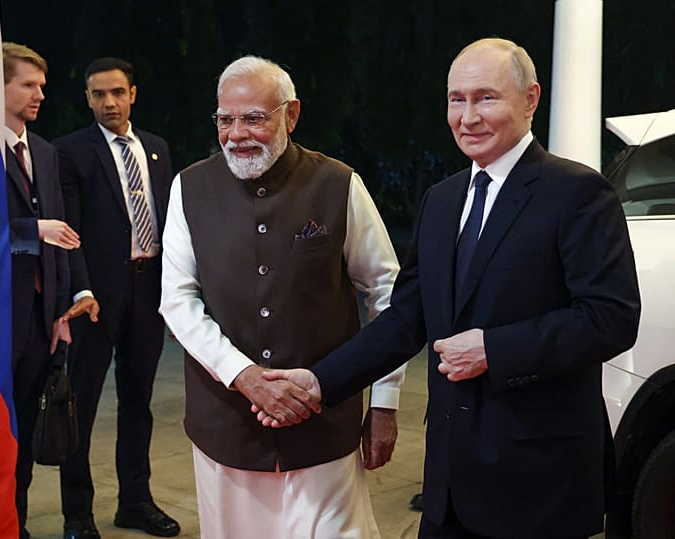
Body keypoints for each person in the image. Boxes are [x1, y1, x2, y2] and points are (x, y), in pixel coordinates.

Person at [259, 38, 642, 539]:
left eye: (486, 97)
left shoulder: (578, 193)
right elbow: (405, 316)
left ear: (530, 99)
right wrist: (320, 382)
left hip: (538, 480)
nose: (468, 116)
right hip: (448, 479)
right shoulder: (442, 200)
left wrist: (492, 349)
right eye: (456, 99)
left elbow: (610, 319)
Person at [159, 55, 406, 539]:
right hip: (226, 427)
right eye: (225, 120)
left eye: (254, 118)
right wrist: (245, 376)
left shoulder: (338, 183)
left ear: (291, 115)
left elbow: (387, 291)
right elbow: (178, 301)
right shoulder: (188, 187)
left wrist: (384, 401)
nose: (236, 134)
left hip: (324, 424)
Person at [53, 58, 178, 538]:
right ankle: (77, 515)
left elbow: (168, 222)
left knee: (138, 401)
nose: (109, 102)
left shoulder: (157, 150)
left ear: (133, 94)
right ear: (87, 98)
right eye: (98, 95)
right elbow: (71, 232)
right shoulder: (71, 152)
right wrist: (81, 288)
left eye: (117, 93)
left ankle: (136, 501)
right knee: (78, 406)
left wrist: (174, 290)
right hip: (95, 298)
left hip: (147, 290)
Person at [2, 42, 80, 539]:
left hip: (38, 320)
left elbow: (64, 238)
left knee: (27, 428)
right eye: (28, 85)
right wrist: (32, 230)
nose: (39, 95)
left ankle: (17, 525)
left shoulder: (46, 152)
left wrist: (61, 312)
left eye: (42, 86)